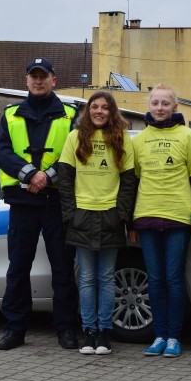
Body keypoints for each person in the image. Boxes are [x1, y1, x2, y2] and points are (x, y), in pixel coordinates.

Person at [0, 58, 79, 351]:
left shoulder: (71, 114)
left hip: (56, 201)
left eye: (44, 76)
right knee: (18, 267)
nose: (38, 81)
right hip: (23, 201)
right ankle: (15, 328)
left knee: (63, 268)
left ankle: (66, 328)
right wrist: (30, 173)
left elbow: (77, 152)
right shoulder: (11, 114)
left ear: (54, 79)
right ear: (26, 80)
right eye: (33, 76)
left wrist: (47, 177)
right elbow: (2, 153)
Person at [130, 84, 191, 358]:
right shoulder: (138, 141)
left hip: (179, 217)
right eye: (155, 103)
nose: (160, 108)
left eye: (165, 103)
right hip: (147, 216)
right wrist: (130, 223)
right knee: (154, 279)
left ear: (175, 107)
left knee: (174, 279)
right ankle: (158, 335)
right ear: (149, 107)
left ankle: (174, 337)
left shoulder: (188, 137)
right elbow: (133, 182)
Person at [58, 91, 137, 355]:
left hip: (110, 216)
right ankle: (88, 332)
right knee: (87, 277)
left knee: (106, 277)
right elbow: (65, 180)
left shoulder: (122, 138)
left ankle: (104, 332)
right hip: (83, 216)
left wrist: (120, 214)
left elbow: (128, 182)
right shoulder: (75, 137)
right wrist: (71, 214)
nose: (99, 111)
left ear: (112, 111)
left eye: (105, 107)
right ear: (88, 111)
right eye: (95, 107)